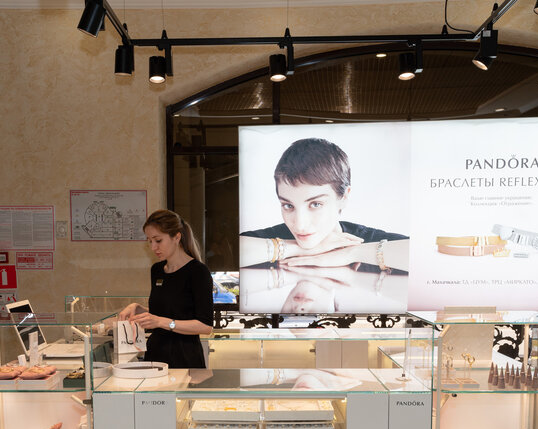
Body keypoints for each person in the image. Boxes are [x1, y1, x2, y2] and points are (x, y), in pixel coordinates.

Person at [239, 137, 409, 273]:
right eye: (288, 206)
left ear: (344, 197)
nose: (300, 224)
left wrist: (352, 253)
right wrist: (297, 249)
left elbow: (422, 256)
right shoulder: (262, 241)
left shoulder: (368, 241)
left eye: (315, 204)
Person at [119, 209, 214, 368]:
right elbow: (167, 312)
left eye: (158, 240)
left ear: (177, 237)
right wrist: (138, 309)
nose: (153, 247)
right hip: (155, 355)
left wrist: (161, 322)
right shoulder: (156, 270)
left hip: (185, 358)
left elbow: (205, 326)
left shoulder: (198, 272)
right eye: (150, 241)